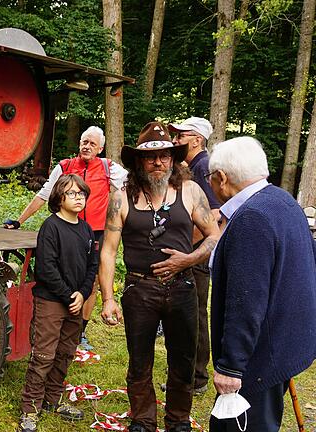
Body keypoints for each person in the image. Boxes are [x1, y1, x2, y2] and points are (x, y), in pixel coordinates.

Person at [99, 121, 221, 432]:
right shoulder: (122, 197)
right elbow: (109, 251)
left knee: (182, 361)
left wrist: (189, 259)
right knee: (139, 362)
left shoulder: (191, 191)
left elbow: (213, 235)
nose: (158, 163)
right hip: (139, 290)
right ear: (139, 161)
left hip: (182, 288)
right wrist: (109, 298)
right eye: (151, 157)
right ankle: (143, 421)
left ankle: (178, 421)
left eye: (165, 156)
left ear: (173, 159)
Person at [206, 136, 316, 431]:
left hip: (258, 358)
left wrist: (231, 366)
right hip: (282, 342)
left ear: (221, 178)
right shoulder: (282, 199)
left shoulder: (251, 217)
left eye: (211, 178)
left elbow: (246, 300)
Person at [5, 126, 127, 351]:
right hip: (65, 230)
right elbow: (44, 194)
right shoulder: (65, 166)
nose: (86, 146)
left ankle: (79, 332)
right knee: (61, 275)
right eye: (83, 141)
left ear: (100, 148)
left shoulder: (110, 168)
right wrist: (19, 221)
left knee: (91, 282)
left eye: (91, 143)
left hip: (95, 232)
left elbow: (129, 190)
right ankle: (56, 322)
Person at [17, 174, 98, 432]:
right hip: (52, 301)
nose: (78, 198)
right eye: (72, 193)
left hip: (75, 302)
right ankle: (30, 408)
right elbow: (46, 269)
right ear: (59, 198)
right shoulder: (51, 227)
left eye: (82, 193)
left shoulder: (85, 229)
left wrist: (82, 294)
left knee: (65, 353)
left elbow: (92, 266)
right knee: (44, 355)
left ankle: (53, 399)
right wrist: (67, 295)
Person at [169, 117, 221, 396]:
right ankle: (190, 373)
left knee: (195, 314)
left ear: (197, 140)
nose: (175, 141)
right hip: (194, 254)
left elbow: (213, 215)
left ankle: (197, 377)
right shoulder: (195, 165)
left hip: (197, 256)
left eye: (180, 136)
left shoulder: (203, 166)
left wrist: (188, 251)